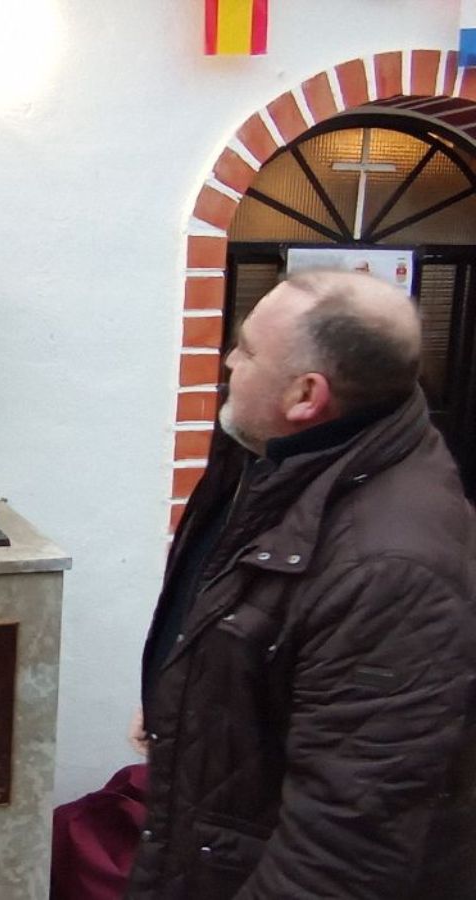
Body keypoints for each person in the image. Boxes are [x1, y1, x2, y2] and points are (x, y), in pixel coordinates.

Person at [127, 270, 476, 899]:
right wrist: (181, 692)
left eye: (249, 350)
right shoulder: (274, 456)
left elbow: (342, 851)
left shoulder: (391, 572)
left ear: (306, 396)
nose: (230, 359)